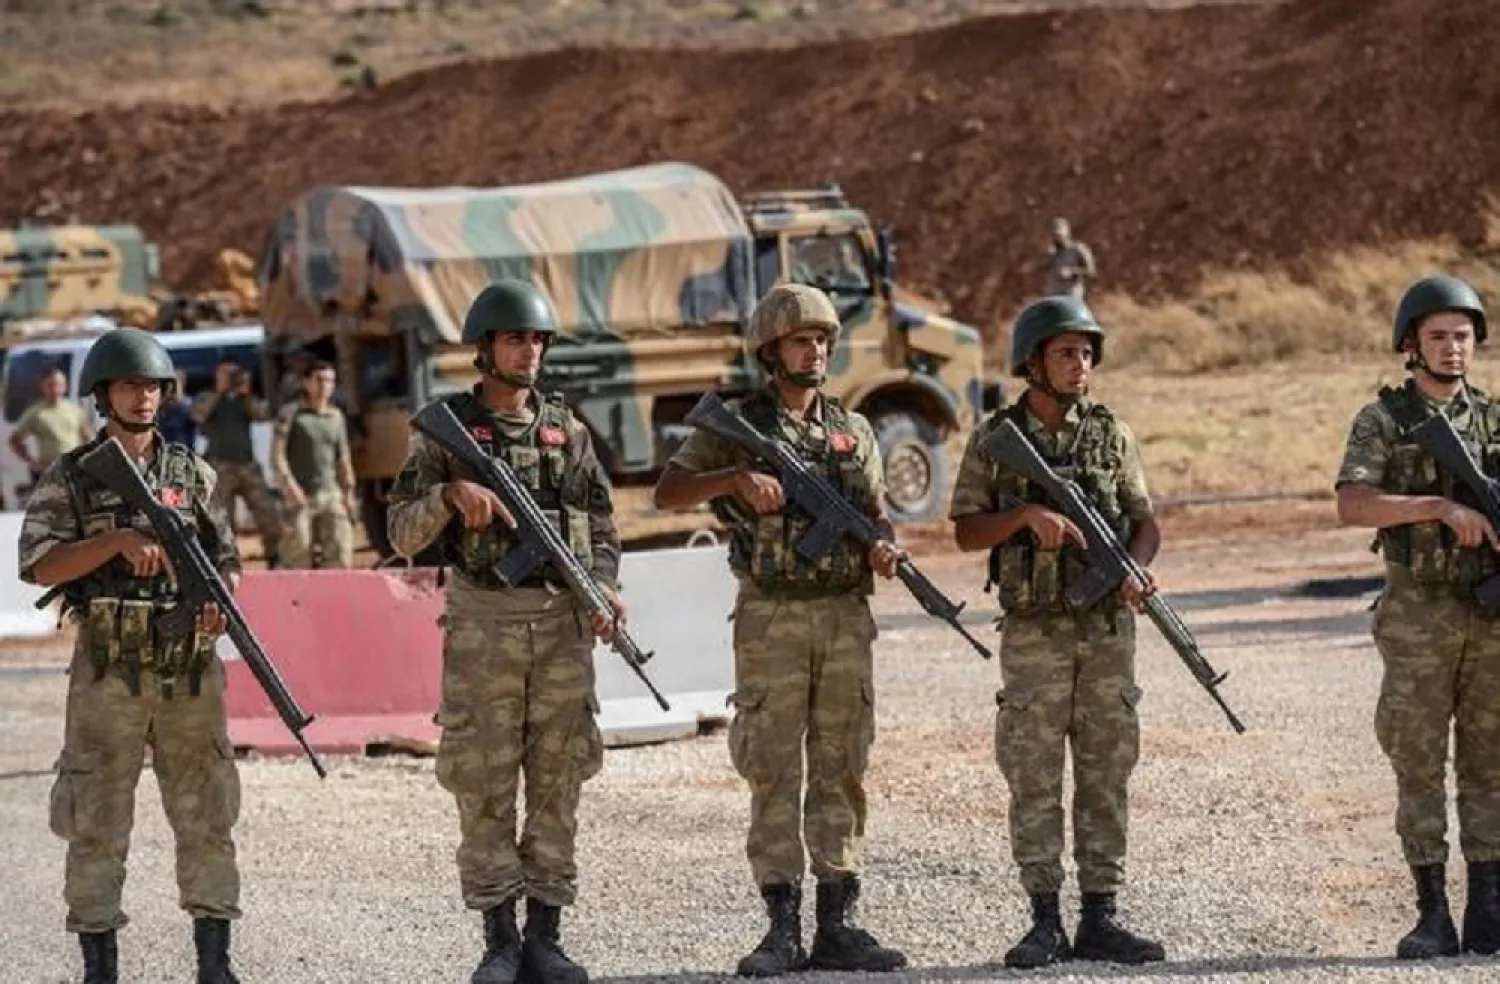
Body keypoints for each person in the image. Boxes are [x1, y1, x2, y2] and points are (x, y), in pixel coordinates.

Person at [652, 282, 908, 978]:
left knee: (842, 764)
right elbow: (668, 491)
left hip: (844, 617)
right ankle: (780, 927)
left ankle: (839, 922)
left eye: (823, 340)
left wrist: (887, 545)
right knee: (773, 766)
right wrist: (734, 478)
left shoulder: (854, 432)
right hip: (771, 617)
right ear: (772, 351)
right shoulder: (737, 425)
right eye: (802, 340)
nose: (817, 350)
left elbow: (878, 513)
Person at [386, 279, 624, 984]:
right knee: (484, 779)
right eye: (517, 338)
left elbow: (602, 524)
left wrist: (603, 585)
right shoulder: (444, 430)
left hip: (559, 622)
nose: (531, 350)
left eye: (539, 339)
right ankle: (498, 939)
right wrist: (449, 497)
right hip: (485, 618)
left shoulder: (567, 429)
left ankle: (546, 936)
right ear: (485, 347)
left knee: (559, 774)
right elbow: (401, 530)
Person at [17, 327, 243, 984]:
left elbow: (227, 560)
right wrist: (115, 540)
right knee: (96, 818)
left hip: (188, 672)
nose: (143, 397)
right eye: (129, 385)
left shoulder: (191, 473)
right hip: (107, 673)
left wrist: (219, 599)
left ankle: (215, 963)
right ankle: (99, 968)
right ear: (103, 395)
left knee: (207, 813)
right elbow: (37, 564)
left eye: (151, 386)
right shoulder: (75, 475)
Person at [947, 295, 1164, 970]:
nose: (1081, 365)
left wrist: (1137, 568)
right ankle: (1044, 920)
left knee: (1106, 771)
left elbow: (1144, 519)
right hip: (1035, 633)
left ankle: (1102, 914)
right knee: (1034, 774)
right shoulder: (995, 439)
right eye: (1066, 353)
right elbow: (963, 529)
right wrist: (1023, 518)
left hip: (1105, 629)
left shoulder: (1111, 433)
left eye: (1087, 353)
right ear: (1033, 362)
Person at [1334, 274, 1500, 960]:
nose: (1453, 349)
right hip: (1419, 615)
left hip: (1490, 616)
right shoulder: (1384, 421)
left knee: (1492, 763)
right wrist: (1435, 508)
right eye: (1438, 337)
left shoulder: (1494, 419)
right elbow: (1353, 504)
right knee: (1419, 761)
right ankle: (1431, 911)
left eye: (1462, 337)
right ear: (1411, 344)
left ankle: (1488, 908)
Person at [192, 361, 283, 567]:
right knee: (222, 520)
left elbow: (262, 415)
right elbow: (198, 415)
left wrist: (246, 393)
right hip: (220, 466)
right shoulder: (208, 397)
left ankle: (274, 555)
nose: (232, 378)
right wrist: (220, 392)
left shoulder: (244, 400)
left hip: (246, 464)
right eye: (227, 374)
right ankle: (225, 561)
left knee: (267, 512)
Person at [272, 360, 356, 569]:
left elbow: (343, 458)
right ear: (306, 382)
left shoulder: (335, 416)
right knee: (298, 554)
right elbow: (277, 455)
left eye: (329, 381)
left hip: (331, 494)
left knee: (340, 552)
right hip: (301, 496)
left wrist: (348, 493)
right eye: (319, 380)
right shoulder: (291, 414)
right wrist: (289, 486)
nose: (325, 386)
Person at [10, 363, 94, 492]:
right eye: (51, 385)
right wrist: (32, 462)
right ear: (42, 386)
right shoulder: (36, 412)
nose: (55, 389)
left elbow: (89, 437)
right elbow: (15, 440)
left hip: (74, 472)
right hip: (49, 473)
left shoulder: (74, 410)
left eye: (59, 385)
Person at [1042, 217, 1097, 299]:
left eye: (1060, 234)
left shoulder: (1078, 249)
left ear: (1067, 232)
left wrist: (1072, 272)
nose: (1057, 237)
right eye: (1055, 234)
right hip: (1053, 296)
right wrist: (1047, 258)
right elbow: (1042, 268)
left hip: (1071, 296)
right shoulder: (1051, 251)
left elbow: (1091, 271)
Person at [157, 369, 197, 449]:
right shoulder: (159, 405)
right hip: (162, 448)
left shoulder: (190, 404)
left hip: (182, 450)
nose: (173, 388)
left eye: (176, 383)